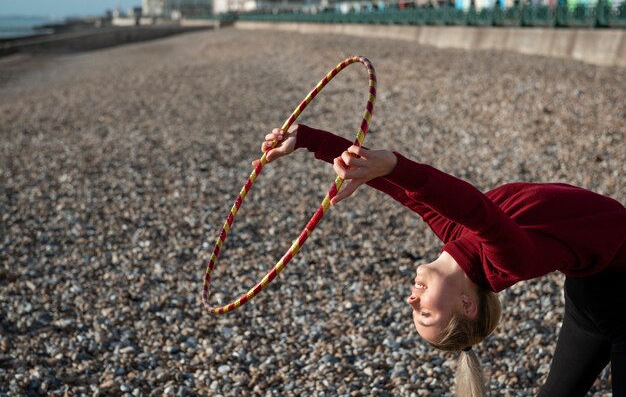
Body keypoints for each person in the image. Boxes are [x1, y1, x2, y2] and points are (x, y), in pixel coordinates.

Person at [252, 124, 626, 397]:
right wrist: (396, 165)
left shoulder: (456, 237)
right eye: (424, 313)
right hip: (603, 290)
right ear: (466, 303)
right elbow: (479, 211)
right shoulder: (510, 261)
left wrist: (308, 140)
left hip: (594, 288)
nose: (410, 300)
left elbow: (406, 193)